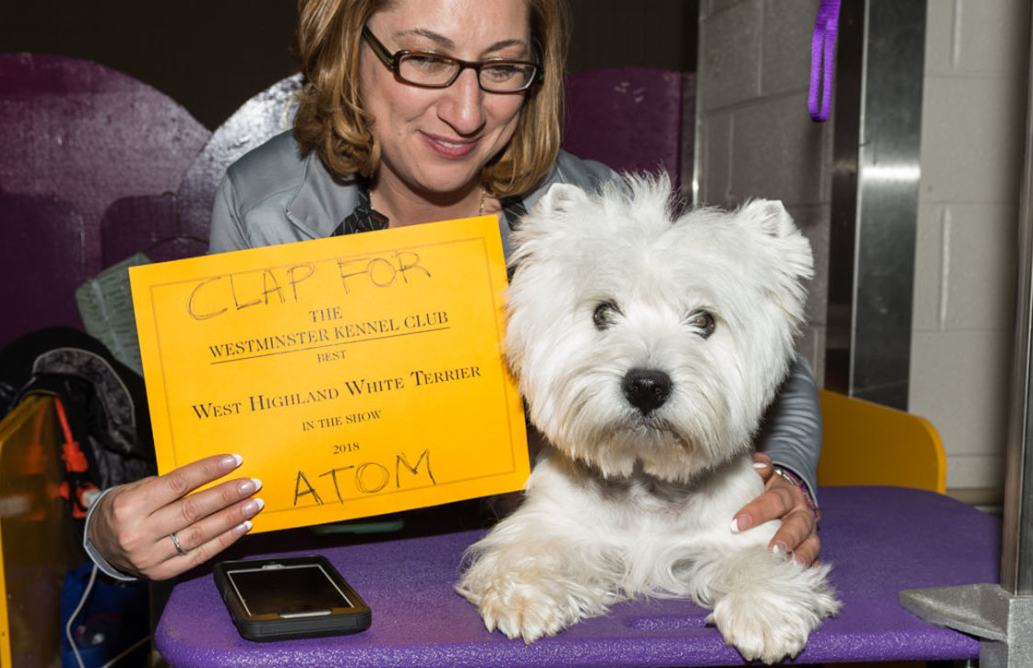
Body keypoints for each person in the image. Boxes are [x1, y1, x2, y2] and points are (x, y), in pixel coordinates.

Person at [84, 0, 823, 582]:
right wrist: (118, 534)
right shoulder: (266, 203)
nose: (468, 113)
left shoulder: (591, 210)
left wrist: (782, 476)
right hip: (350, 567)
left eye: (503, 68)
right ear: (348, 48)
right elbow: (240, 441)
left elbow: (772, 361)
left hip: (555, 563)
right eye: (426, 59)